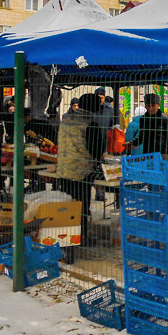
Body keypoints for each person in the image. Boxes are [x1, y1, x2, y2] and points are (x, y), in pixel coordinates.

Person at [56, 93, 104, 245]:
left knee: (68, 204)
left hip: (64, 170)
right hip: (82, 173)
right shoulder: (91, 123)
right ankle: (80, 238)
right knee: (82, 205)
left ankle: (66, 236)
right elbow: (95, 150)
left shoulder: (66, 119)